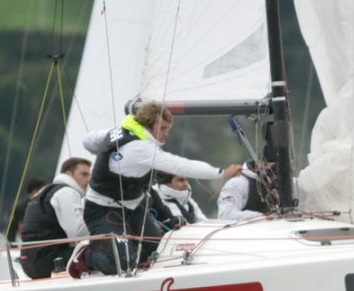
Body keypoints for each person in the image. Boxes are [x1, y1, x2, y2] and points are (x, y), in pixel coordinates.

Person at [73, 101, 242, 277]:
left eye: (168, 128)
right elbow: (180, 165)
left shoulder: (118, 133)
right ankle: (86, 256)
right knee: (122, 264)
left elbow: (88, 140)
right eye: (162, 128)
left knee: (158, 250)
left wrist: (106, 153)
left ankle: (125, 251)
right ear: (148, 125)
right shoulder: (141, 149)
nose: (166, 134)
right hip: (102, 210)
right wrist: (221, 173)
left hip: (133, 207)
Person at [18, 158, 91, 278]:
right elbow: (77, 232)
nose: (88, 179)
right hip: (50, 262)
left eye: (89, 175)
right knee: (101, 253)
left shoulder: (44, 191)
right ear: (69, 174)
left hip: (29, 264)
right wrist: (96, 220)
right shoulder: (66, 192)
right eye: (84, 174)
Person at [5, 177, 46, 242]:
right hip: (26, 243)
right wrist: (13, 246)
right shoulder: (19, 208)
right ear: (35, 191)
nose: (45, 193)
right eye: (43, 190)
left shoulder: (42, 204)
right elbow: (10, 231)